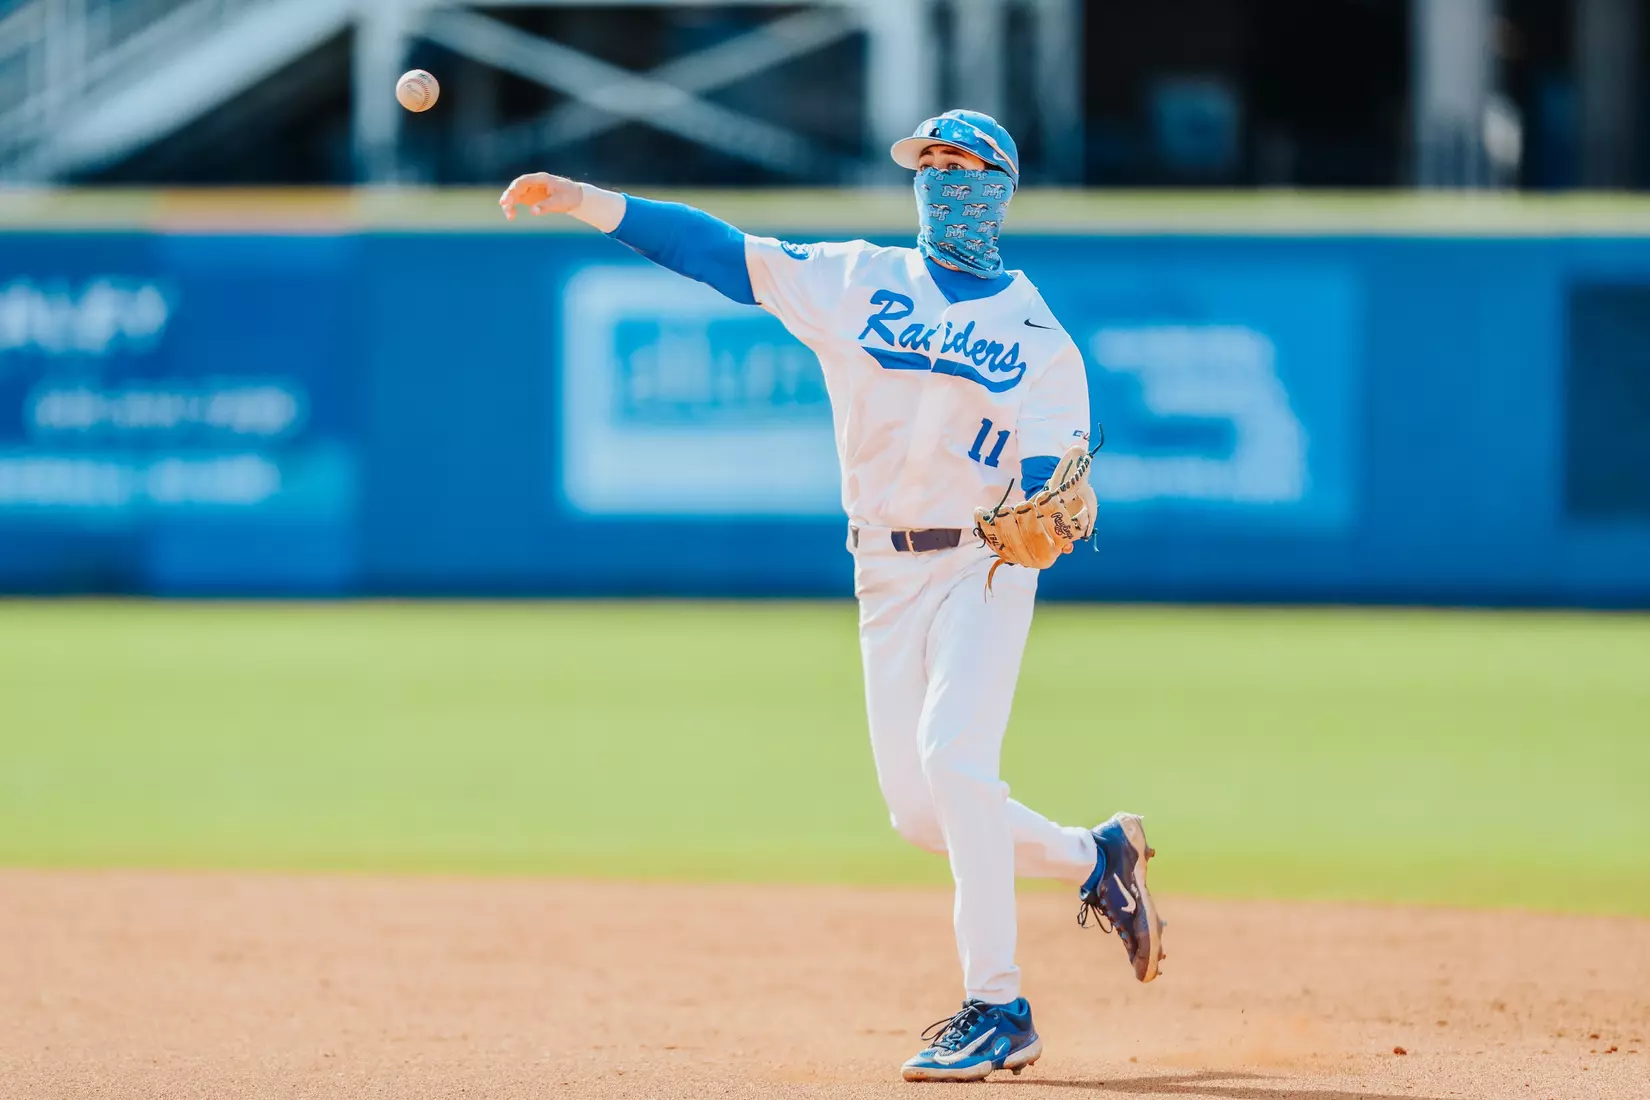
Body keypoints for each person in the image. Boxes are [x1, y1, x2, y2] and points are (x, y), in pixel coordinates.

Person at [499, 109, 1165, 1083]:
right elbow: (716, 251)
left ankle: (999, 1006)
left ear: (999, 185)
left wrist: (1040, 501)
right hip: (882, 572)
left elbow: (1047, 471)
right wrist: (583, 201)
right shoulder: (856, 279)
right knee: (922, 814)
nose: (940, 179)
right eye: (927, 164)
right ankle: (1095, 857)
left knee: (955, 761)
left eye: (960, 165)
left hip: (984, 566)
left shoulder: (1038, 334)